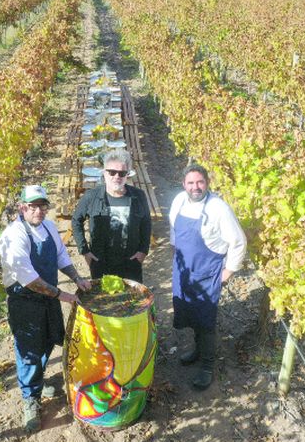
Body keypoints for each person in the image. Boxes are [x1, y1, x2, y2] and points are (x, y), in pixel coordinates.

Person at [0, 184, 91, 433]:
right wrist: (64, 295)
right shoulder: (14, 236)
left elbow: (61, 256)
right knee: (28, 350)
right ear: (22, 207)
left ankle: (37, 381)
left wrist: (77, 278)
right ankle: (31, 398)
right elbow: (30, 280)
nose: (38, 211)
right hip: (25, 300)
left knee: (49, 339)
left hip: (47, 296)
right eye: (32, 206)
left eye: (42, 205)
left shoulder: (49, 227)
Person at [169, 164, 247, 390]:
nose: (195, 187)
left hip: (206, 274)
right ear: (184, 184)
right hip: (184, 271)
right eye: (191, 183)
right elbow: (174, 229)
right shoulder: (179, 201)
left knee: (205, 321)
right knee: (189, 313)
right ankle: (197, 350)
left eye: (200, 182)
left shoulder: (218, 208)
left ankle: (207, 365)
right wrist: (176, 254)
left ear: (207, 183)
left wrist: (228, 271)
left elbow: (238, 241)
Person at [72, 149, 152, 283]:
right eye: (112, 172)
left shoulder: (138, 196)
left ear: (127, 175)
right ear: (104, 173)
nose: (117, 177)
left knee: (130, 300)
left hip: (130, 263)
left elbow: (146, 223)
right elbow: (76, 221)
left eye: (122, 173)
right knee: (104, 301)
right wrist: (84, 251)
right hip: (101, 263)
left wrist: (143, 251)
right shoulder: (91, 196)